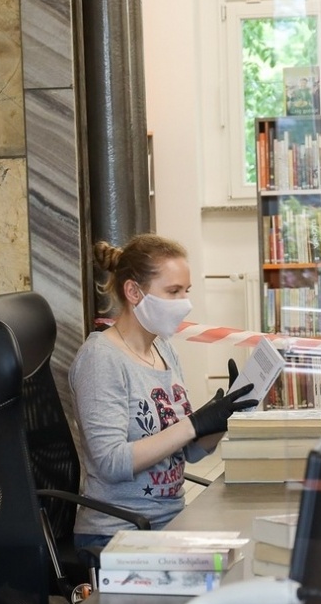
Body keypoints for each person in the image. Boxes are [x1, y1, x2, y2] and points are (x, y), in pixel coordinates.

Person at [68, 235, 257, 549]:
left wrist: (223, 418)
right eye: (173, 291)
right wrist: (193, 424)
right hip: (117, 534)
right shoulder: (100, 359)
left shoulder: (163, 350)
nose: (185, 303)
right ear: (133, 292)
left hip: (169, 522)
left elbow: (191, 452)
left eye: (186, 291)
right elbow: (112, 463)